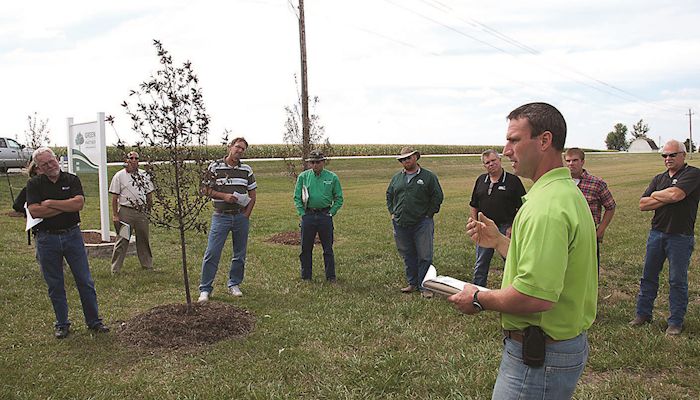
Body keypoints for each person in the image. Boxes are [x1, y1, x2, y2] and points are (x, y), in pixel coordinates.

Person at [449, 103, 597, 399]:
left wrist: (477, 298)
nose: (506, 151)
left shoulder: (545, 207)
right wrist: (501, 242)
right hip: (558, 346)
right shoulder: (564, 193)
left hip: (539, 358)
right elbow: (553, 267)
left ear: (544, 141)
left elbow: (535, 295)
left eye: (514, 140)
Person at [26, 147, 109, 339]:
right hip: (47, 239)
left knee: (85, 281)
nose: (50, 166)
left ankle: (94, 321)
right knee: (55, 283)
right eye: (45, 164)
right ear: (38, 167)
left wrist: (49, 203)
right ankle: (62, 324)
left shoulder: (71, 179)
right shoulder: (34, 184)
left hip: (72, 236)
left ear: (56, 159)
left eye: (52, 161)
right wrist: (65, 205)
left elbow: (78, 204)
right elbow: (35, 211)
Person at [630, 140, 700, 336]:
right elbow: (643, 204)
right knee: (648, 277)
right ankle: (643, 314)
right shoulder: (659, 178)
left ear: (683, 155)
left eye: (672, 155)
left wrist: (657, 195)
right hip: (657, 234)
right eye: (664, 155)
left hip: (680, 236)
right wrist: (666, 195)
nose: (667, 159)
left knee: (677, 280)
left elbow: (677, 195)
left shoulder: (693, 174)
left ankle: (675, 322)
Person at [198, 137, 257, 302]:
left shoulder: (246, 170)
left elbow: (253, 195)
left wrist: (246, 215)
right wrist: (224, 196)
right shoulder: (215, 167)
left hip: (240, 216)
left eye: (243, 149)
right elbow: (205, 189)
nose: (239, 151)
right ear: (230, 147)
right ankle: (205, 289)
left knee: (239, 254)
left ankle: (234, 283)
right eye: (237, 147)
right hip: (220, 216)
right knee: (212, 252)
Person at [386, 146, 444, 299]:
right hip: (400, 223)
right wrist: (393, 212)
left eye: (408, 158)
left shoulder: (428, 177)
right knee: (407, 254)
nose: (405, 161)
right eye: (403, 159)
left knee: (425, 255)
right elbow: (389, 194)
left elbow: (437, 196)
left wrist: (429, 214)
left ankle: (425, 286)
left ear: (416, 157)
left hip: (422, 223)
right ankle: (412, 283)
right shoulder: (397, 178)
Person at [469, 149, 526, 287]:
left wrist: (513, 226)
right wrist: (475, 222)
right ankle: (478, 290)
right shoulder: (481, 180)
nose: (491, 164)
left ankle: (514, 288)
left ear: (500, 160)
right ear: (484, 166)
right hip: (484, 228)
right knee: (481, 262)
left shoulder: (513, 181)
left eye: (493, 160)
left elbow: (523, 207)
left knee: (510, 260)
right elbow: (473, 204)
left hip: (505, 227)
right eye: (487, 162)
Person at [293, 150, 344, 282]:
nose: (315, 165)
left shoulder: (332, 178)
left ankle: (331, 276)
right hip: (308, 215)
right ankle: (306, 276)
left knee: (328, 248)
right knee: (305, 248)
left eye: (318, 162)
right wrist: (302, 214)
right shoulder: (303, 177)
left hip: (325, 215)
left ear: (323, 162)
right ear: (309, 163)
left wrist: (331, 212)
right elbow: (297, 197)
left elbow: (339, 198)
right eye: (312, 162)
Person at [564, 147, 616, 269]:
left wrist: (600, 230)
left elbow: (610, 207)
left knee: (589, 270)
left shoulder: (596, 183)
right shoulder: (562, 183)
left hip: (588, 235)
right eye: (568, 161)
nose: (571, 164)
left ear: (582, 162)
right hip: (565, 234)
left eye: (575, 160)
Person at [109, 151, 154, 273]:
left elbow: (149, 194)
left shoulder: (144, 175)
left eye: (136, 158)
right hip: (126, 212)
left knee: (143, 238)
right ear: (126, 160)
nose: (133, 160)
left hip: (141, 212)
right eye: (131, 158)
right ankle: (115, 268)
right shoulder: (119, 176)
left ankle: (147, 265)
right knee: (122, 239)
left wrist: (148, 210)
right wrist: (115, 215)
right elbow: (114, 198)